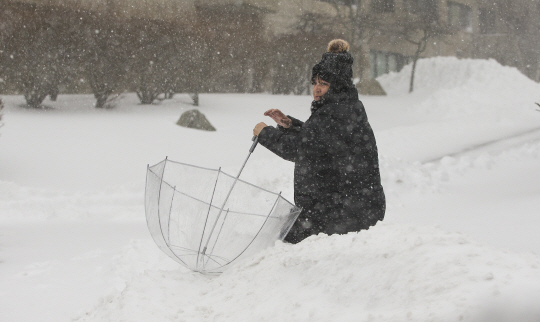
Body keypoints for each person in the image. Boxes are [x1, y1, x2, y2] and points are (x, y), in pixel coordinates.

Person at [253, 39, 385, 244]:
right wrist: (290, 125)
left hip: (341, 212)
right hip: (351, 206)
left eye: (323, 83)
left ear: (337, 86)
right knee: (285, 238)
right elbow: (318, 141)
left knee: (285, 243)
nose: (316, 89)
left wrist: (264, 133)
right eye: (315, 83)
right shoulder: (346, 106)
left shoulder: (334, 113)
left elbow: (299, 149)